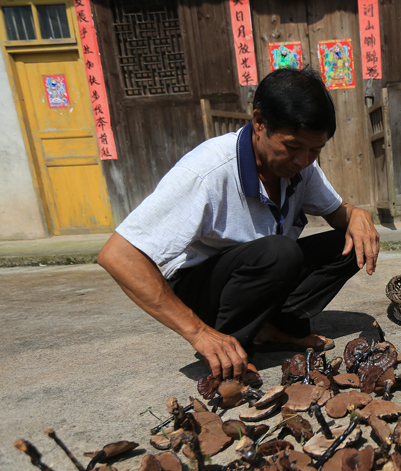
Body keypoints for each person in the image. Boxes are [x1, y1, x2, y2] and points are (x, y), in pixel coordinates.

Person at [98, 67, 379, 380]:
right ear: (259, 123)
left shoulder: (300, 167)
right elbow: (118, 255)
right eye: (293, 146)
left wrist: (356, 214)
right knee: (279, 252)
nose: (303, 160)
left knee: (348, 242)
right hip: (200, 288)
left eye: (316, 149)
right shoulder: (207, 171)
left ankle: (270, 329)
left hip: (255, 277)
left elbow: (336, 211)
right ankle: (230, 345)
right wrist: (198, 332)